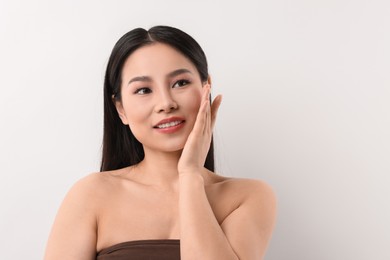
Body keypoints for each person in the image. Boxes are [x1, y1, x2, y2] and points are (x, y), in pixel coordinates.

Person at [44, 25, 277, 260]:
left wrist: (190, 175)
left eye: (180, 83)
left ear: (206, 88)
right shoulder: (91, 195)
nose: (166, 103)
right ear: (121, 109)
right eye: (144, 89)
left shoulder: (247, 197)